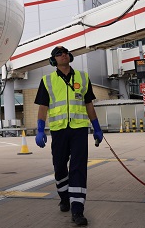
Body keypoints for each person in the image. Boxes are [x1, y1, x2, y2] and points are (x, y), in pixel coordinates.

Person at [34, 45, 103, 226]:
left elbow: (89, 104)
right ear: (53, 60)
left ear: (69, 56)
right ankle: (64, 197)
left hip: (79, 129)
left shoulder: (83, 77)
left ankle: (77, 210)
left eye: (65, 52)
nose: (63, 55)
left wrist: (96, 127)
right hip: (59, 130)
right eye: (58, 54)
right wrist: (40, 129)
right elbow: (43, 107)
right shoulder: (47, 80)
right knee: (59, 167)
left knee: (78, 168)